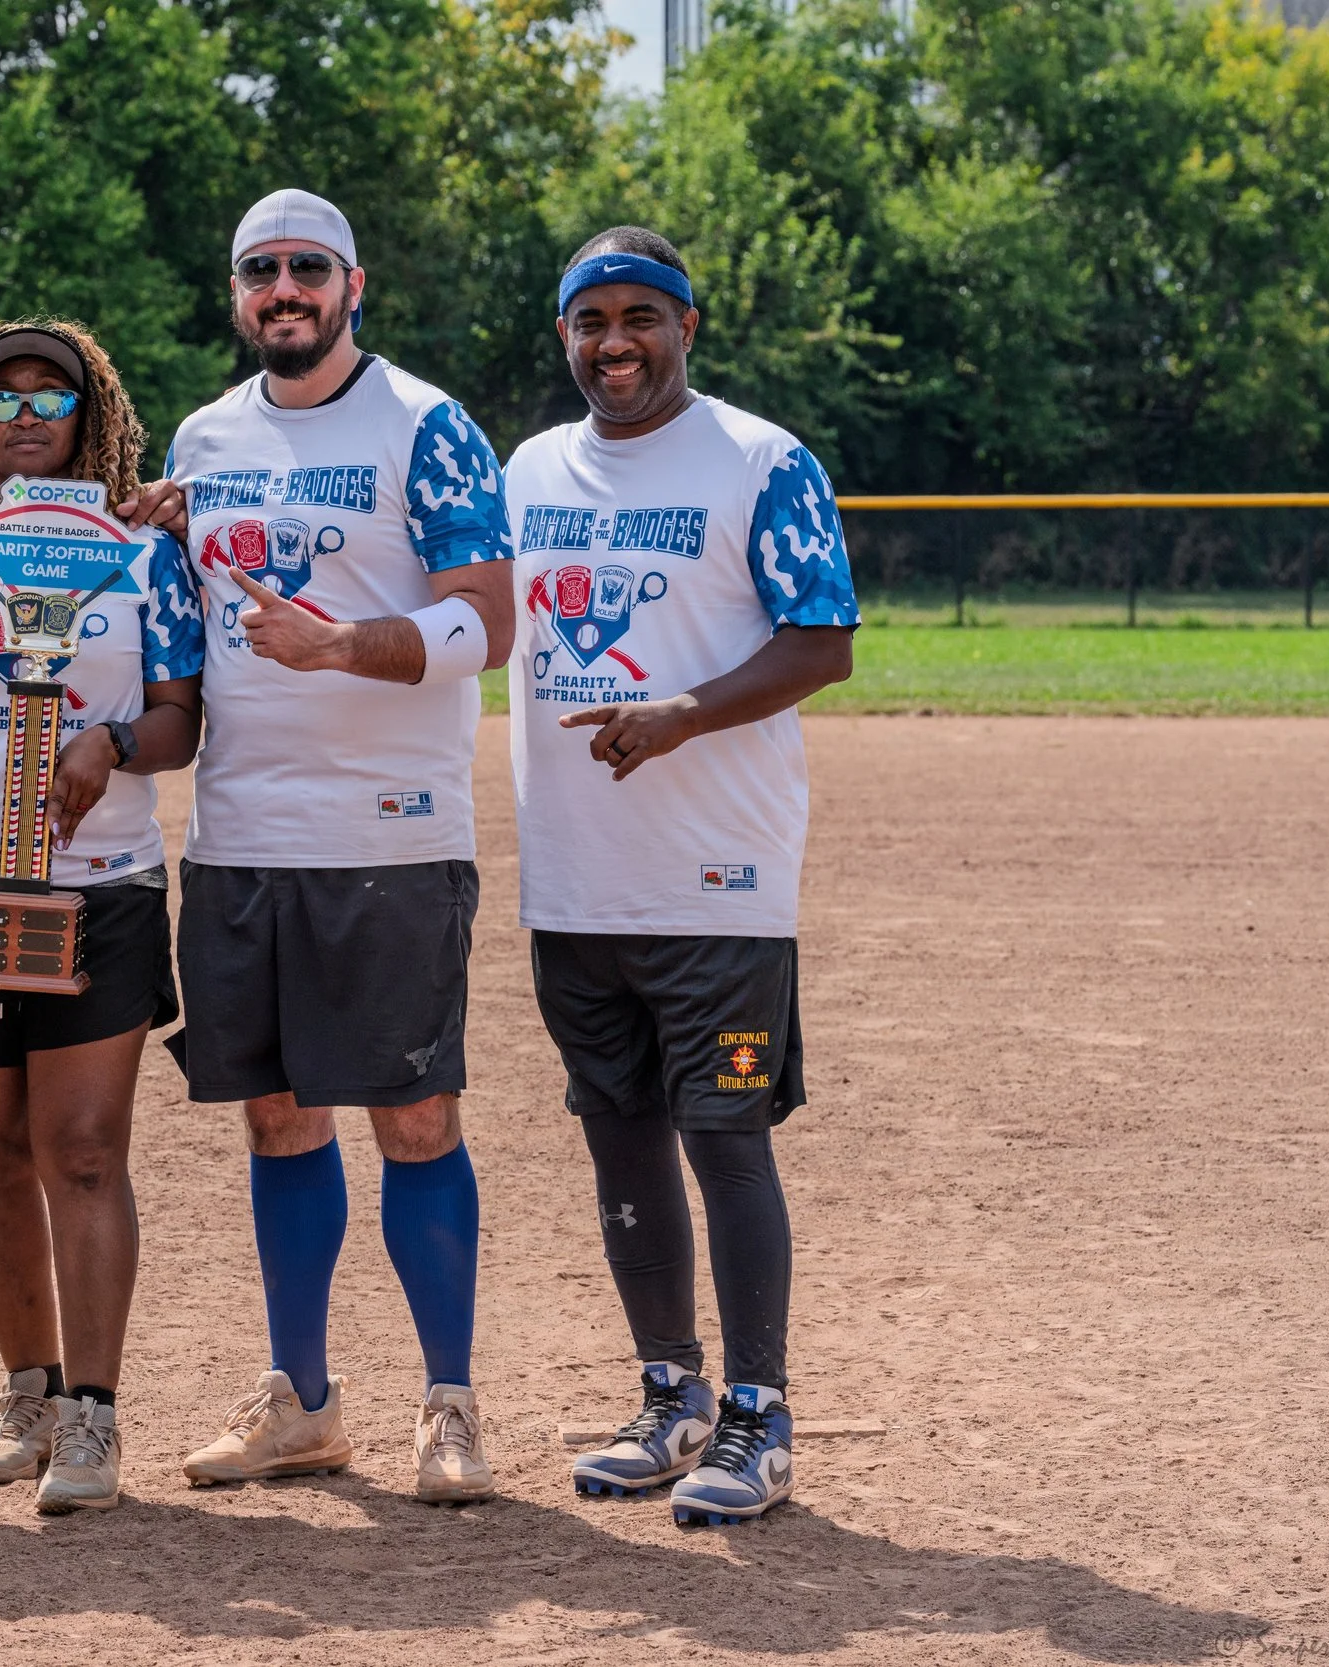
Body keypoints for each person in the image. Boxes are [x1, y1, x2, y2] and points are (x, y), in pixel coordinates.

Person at [163, 189, 516, 1504]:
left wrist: (341, 645)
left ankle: (451, 1400)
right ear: (240, 292)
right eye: (262, 269)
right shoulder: (203, 438)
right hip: (242, 833)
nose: (285, 288)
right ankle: (302, 1402)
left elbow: (492, 621)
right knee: (274, 1112)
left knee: (415, 1116)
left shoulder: (425, 426)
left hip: (392, 836)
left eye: (308, 267)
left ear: (352, 284)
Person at [508, 227, 857, 1526]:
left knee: (724, 1134)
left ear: (688, 326)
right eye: (591, 320)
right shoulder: (528, 468)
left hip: (721, 874)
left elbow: (825, 642)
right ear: (564, 336)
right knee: (620, 1133)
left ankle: (759, 1412)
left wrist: (682, 714)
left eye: (641, 316)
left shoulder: (762, 461)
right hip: (576, 875)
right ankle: (672, 1393)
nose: (615, 342)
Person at [0, 320, 203, 1514]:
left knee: (82, 1151)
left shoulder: (143, 559)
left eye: (48, 394)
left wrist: (108, 741)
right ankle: (26, 1384)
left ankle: (93, 1414)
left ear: (88, 416)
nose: (22, 412)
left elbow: (181, 718)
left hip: (99, 882)